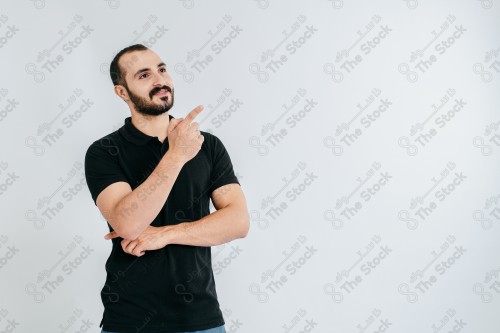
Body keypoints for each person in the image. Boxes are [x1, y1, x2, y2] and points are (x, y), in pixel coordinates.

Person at [84, 44, 249, 333]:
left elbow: (238, 222)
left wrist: (165, 234)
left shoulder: (207, 145)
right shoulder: (104, 151)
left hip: (201, 317)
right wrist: (176, 156)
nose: (160, 80)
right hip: (130, 320)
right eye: (144, 75)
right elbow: (128, 224)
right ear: (122, 92)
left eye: (162, 70)